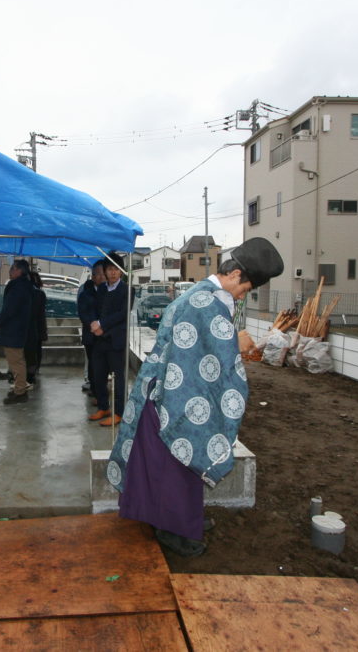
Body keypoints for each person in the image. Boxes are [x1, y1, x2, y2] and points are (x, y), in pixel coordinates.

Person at [106, 238, 283, 556]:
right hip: (172, 402)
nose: (243, 296)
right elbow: (216, 354)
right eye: (245, 289)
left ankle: (184, 518)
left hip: (169, 394)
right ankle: (173, 529)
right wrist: (237, 349)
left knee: (173, 470)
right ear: (235, 275)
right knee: (170, 470)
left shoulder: (202, 295)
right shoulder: (205, 303)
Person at [89, 254, 129, 426]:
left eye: (116, 269)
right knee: (98, 375)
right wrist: (94, 324)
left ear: (121, 272)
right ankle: (103, 407)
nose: (112, 273)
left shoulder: (127, 290)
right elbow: (96, 310)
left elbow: (122, 314)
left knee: (119, 378)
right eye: (109, 269)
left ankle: (119, 412)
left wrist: (101, 325)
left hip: (116, 340)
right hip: (100, 340)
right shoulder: (102, 289)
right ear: (104, 272)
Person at [0, 259, 35, 405]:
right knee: (16, 361)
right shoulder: (23, 286)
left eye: (12, 268)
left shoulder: (19, 288)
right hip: (16, 330)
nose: (10, 271)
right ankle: (19, 388)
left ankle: (20, 391)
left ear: (19, 271)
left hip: (14, 330)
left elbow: (9, 309)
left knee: (16, 361)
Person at [77, 261, 106, 393]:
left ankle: (101, 390)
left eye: (103, 274)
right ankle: (95, 390)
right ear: (93, 276)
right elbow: (83, 314)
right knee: (93, 364)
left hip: (105, 335)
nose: (101, 277)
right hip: (91, 335)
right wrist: (94, 327)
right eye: (98, 274)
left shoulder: (108, 292)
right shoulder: (85, 294)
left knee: (103, 365)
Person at [25, 271, 48, 386]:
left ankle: (30, 373)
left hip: (32, 327)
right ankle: (34, 370)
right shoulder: (40, 293)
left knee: (32, 350)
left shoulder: (33, 293)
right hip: (38, 327)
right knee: (36, 350)